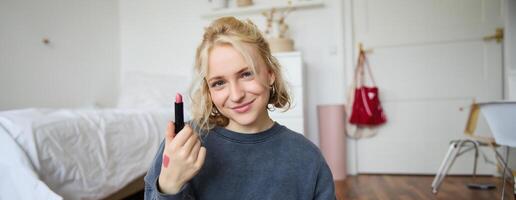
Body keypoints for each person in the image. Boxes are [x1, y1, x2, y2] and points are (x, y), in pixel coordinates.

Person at [144, 16, 336, 200]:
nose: (236, 95)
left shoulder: (307, 158)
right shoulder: (182, 146)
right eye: (219, 83)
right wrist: (169, 184)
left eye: (246, 74)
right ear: (208, 90)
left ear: (270, 75)